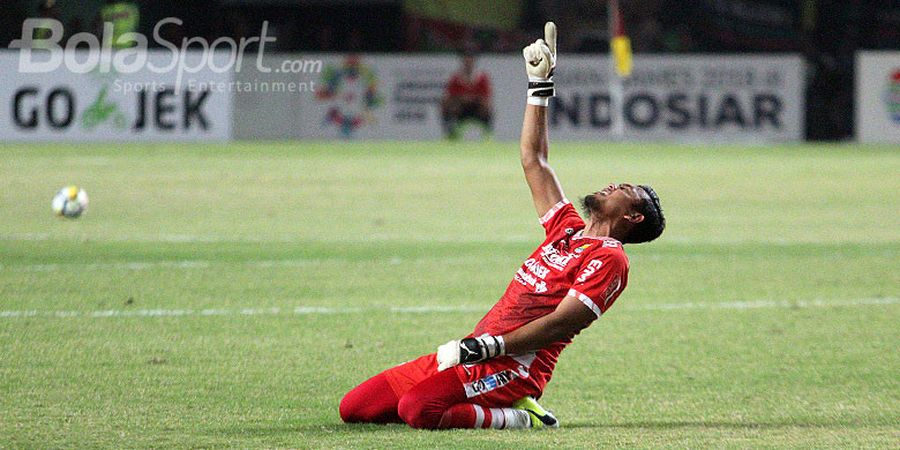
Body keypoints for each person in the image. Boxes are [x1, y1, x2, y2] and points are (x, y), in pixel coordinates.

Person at [339, 22, 665, 430]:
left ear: (632, 217)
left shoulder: (611, 257)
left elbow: (562, 322)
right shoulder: (567, 230)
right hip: (475, 352)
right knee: (354, 409)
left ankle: (522, 416)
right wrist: (539, 85)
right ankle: (480, 392)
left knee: (418, 410)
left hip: (513, 365)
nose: (614, 184)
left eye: (626, 190)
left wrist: (490, 346)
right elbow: (535, 160)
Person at [440, 52, 493, 140]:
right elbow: (449, 95)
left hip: (476, 107)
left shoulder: (481, 78)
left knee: (487, 106)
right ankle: (450, 133)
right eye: (466, 61)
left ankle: (487, 133)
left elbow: (486, 96)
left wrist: (473, 99)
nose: (468, 63)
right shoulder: (456, 78)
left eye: (470, 61)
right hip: (460, 107)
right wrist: (460, 99)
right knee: (446, 104)